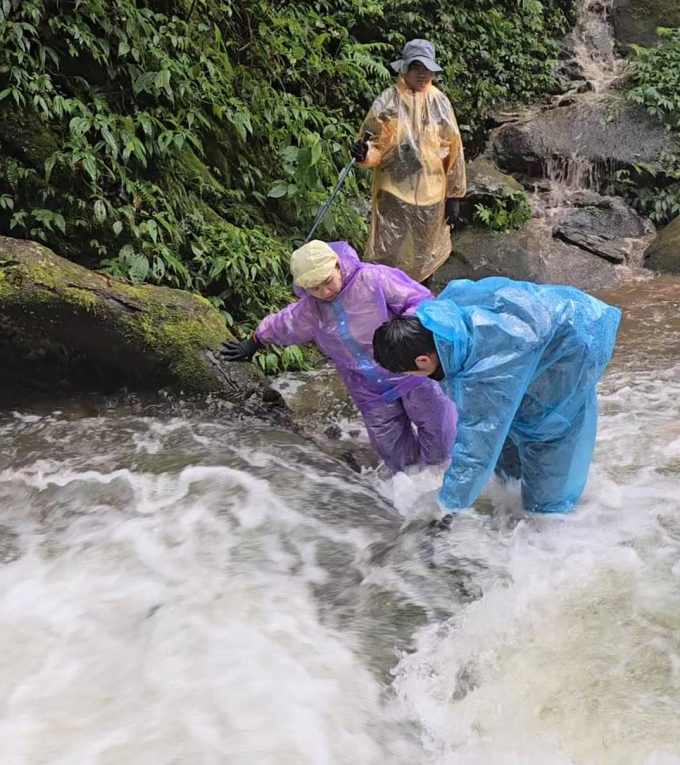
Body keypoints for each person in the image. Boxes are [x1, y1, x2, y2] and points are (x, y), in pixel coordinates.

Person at [372, 277, 621, 513]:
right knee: (508, 442)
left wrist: (446, 507)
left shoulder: (485, 373)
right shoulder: (441, 318)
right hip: (550, 318)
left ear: (423, 360)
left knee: (549, 433)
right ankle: (516, 487)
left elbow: (476, 449)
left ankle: (554, 514)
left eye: (411, 372)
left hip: (579, 340)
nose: (417, 377)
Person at [219, 240, 457, 475]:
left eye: (327, 281)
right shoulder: (312, 308)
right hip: (366, 387)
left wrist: (407, 332)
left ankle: (442, 486)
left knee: (439, 437)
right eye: (314, 288)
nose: (325, 292)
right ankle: (413, 492)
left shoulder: (373, 279)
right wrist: (254, 342)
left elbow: (419, 300)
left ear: (337, 264)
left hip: (410, 370)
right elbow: (284, 323)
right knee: (394, 451)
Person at [350, 38, 466, 287]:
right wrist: (363, 154)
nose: (423, 74)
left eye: (427, 69)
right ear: (404, 68)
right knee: (388, 253)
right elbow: (376, 147)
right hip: (393, 194)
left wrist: (454, 195)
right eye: (417, 68)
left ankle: (418, 310)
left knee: (425, 257)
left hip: (432, 195)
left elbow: (453, 149)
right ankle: (387, 307)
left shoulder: (440, 103)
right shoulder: (387, 103)